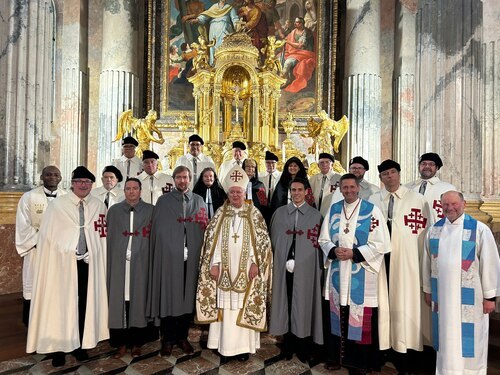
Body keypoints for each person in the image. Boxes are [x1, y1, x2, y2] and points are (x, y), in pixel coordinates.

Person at [27, 166, 108, 367]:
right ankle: (58, 348)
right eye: (79, 181)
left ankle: (79, 344)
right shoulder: (57, 206)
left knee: (83, 305)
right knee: (60, 304)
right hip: (61, 265)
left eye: (87, 182)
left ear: (92, 185)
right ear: (72, 183)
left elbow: (102, 235)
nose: (83, 185)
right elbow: (48, 237)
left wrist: (94, 252)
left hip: (87, 265)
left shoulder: (98, 206)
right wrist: (67, 250)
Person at [196, 165, 273, 362]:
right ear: (228, 193)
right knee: (226, 310)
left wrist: (256, 263)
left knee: (242, 308)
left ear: (244, 192)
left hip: (246, 270)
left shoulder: (254, 214)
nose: (235, 195)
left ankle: (243, 349)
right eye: (232, 192)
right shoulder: (220, 214)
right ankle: (223, 347)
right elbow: (212, 241)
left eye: (238, 192)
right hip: (223, 270)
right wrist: (214, 264)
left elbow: (263, 241)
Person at [319, 174, 391, 374]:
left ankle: (358, 361)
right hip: (338, 271)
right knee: (338, 312)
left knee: (358, 315)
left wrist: (355, 253)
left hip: (361, 272)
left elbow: (381, 243)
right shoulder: (334, 210)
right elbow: (323, 239)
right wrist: (333, 250)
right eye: (345, 187)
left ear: (358, 188)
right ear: (340, 189)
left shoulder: (372, 211)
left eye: (352, 187)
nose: (348, 191)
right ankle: (336, 357)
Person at [422, 191, 500, 375]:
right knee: (446, 339)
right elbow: (426, 262)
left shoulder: (479, 229)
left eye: (454, 204)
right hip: (442, 297)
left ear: (463, 203)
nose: (450, 208)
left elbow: (490, 264)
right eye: (446, 205)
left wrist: (490, 297)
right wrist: (427, 289)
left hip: (471, 300)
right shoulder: (434, 230)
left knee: (471, 340)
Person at [369, 159, 432, 374]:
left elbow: (425, 235)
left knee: (404, 304)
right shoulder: (373, 199)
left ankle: (404, 351)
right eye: (385, 174)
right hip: (380, 261)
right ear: (380, 178)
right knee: (381, 306)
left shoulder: (417, 199)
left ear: (399, 173)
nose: (389, 177)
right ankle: (381, 350)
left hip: (407, 263)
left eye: (393, 172)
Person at [149, 166, 208, 357]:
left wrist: (193, 247)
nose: (182, 181)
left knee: (186, 297)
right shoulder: (163, 201)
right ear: (174, 179)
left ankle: (182, 338)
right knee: (168, 296)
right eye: (179, 177)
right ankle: (168, 339)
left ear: (190, 179)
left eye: (185, 177)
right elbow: (158, 231)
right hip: (168, 258)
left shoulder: (199, 201)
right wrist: (172, 248)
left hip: (190, 258)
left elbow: (203, 228)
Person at [269, 177, 323, 363]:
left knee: (303, 304)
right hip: (284, 268)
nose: (297, 193)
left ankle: (303, 346)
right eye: (293, 190)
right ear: (290, 192)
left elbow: (317, 246)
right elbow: (274, 240)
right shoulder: (280, 213)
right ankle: (287, 345)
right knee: (286, 301)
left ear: (307, 192)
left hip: (307, 270)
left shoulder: (315, 216)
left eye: (300, 190)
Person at [106, 178, 155, 359]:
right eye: (128, 188)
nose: (132, 192)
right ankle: (121, 344)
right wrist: (121, 251)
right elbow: (110, 238)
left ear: (141, 190)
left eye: (135, 188)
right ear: (124, 190)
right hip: (120, 264)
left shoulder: (151, 210)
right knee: (120, 301)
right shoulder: (114, 211)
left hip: (142, 263)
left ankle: (137, 343)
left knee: (139, 301)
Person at [15, 166, 66, 327]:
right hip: (36, 251)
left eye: (56, 175)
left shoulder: (67, 198)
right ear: (42, 177)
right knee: (36, 287)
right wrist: (42, 238)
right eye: (48, 174)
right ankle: (33, 326)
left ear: (60, 178)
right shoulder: (29, 197)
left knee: (58, 289)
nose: (52, 177)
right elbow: (23, 225)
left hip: (60, 252)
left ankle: (56, 324)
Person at [406, 152, 456, 222]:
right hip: (412, 228)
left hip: (437, 230)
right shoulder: (407, 188)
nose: (427, 166)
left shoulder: (448, 189)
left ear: (437, 167)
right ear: (418, 166)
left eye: (431, 164)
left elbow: (454, 213)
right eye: (423, 164)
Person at [190, 0, 239, 64]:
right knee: (213, 46)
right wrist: (197, 19)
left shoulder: (229, 7)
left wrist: (237, 25)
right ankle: (214, 65)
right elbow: (206, 15)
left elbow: (235, 19)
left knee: (224, 46)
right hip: (213, 30)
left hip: (225, 30)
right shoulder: (214, 7)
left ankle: (225, 63)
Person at [282, 17, 316, 93]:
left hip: (304, 53)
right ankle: (286, 78)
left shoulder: (306, 32)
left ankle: (285, 80)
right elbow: (286, 39)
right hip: (294, 52)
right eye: (295, 22)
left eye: (297, 22)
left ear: (301, 23)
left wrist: (287, 42)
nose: (295, 24)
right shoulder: (293, 31)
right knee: (278, 58)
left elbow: (300, 46)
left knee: (288, 62)